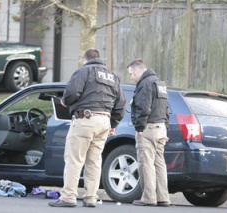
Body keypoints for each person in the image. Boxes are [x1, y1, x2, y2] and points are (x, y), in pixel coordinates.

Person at [48, 48, 126, 208]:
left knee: (74, 159)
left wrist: (65, 101)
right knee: (95, 161)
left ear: (85, 59)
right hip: (104, 121)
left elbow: (71, 93)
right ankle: (91, 197)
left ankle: (68, 197)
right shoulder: (113, 76)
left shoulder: (83, 71)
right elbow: (121, 104)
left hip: (85, 119)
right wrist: (113, 124)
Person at [127, 59, 170, 207]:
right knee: (159, 164)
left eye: (132, 74)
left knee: (146, 163)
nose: (131, 77)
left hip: (148, 128)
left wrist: (139, 128)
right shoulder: (160, 83)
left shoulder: (145, 83)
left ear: (138, 71)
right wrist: (166, 127)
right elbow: (166, 109)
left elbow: (143, 108)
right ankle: (163, 197)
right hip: (161, 128)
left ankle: (149, 198)